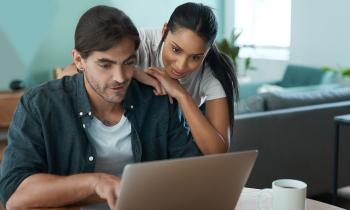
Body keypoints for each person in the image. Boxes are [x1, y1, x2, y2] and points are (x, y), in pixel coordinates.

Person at [0, 5, 201, 210]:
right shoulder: (39, 105)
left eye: (128, 62)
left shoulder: (157, 100)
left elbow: (193, 174)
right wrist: (95, 183)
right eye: (106, 65)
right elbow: (14, 195)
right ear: (79, 60)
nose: (120, 77)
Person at [62, 2, 239, 155]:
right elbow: (68, 74)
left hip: (180, 144)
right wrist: (136, 71)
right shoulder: (139, 42)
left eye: (196, 57)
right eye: (176, 50)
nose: (181, 66)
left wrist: (180, 94)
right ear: (164, 31)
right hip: (140, 138)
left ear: (207, 51)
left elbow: (217, 150)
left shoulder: (212, 73)